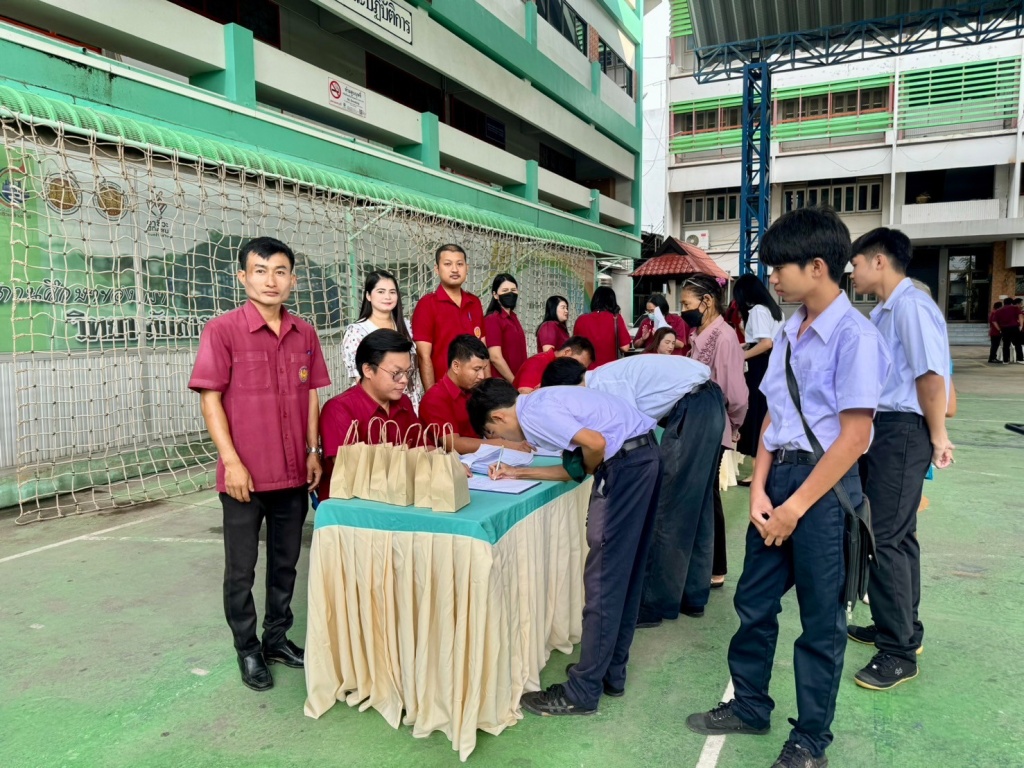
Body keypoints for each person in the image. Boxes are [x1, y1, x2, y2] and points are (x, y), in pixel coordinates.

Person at [686, 207, 890, 768]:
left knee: (821, 622)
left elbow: (854, 437)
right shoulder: (790, 331)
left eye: (779, 268)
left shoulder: (855, 337)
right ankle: (751, 705)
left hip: (825, 491)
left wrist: (794, 507)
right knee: (754, 601)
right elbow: (776, 415)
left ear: (817, 267)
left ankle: (809, 741)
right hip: (779, 482)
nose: (772, 278)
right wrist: (758, 491)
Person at [467, 379, 662, 716]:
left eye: (493, 433)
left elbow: (595, 445)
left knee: (603, 580)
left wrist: (593, 468)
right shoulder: (539, 401)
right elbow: (577, 467)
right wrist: (518, 473)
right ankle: (610, 672)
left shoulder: (534, 415)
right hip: (643, 458)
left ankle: (583, 691)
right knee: (625, 576)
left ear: (498, 418)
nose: (502, 440)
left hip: (624, 469)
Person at [188, 236, 330, 692]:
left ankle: (276, 639)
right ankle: (247, 649)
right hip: (243, 478)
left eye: (280, 271)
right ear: (243, 277)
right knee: (241, 570)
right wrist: (231, 462)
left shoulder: (304, 333)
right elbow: (210, 400)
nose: (271, 280)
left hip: (293, 473)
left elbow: (312, 395)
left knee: (286, 564)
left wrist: (313, 451)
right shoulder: (222, 331)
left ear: (292, 279)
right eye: (261, 270)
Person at [540, 355, 725, 628]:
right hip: (707, 402)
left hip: (693, 408)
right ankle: (692, 595)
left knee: (667, 509)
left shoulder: (606, 387)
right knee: (696, 504)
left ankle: (651, 605)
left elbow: (625, 438)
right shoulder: (604, 376)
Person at [846, 227, 953, 690]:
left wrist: (939, 436)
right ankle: (903, 628)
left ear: (879, 261)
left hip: (903, 429)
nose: (852, 272)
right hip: (889, 429)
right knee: (899, 535)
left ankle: (898, 653)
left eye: (856, 264)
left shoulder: (911, 307)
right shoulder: (887, 310)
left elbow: (931, 378)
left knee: (885, 537)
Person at [679, 273, 748, 590]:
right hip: (698, 425)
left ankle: (715, 566)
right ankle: (705, 563)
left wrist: (732, 424)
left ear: (707, 301)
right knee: (702, 495)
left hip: (712, 425)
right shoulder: (699, 335)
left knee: (706, 496)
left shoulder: (724, 337)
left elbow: (736, 394)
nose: (683, 310)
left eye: (686, 304)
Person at [318, 330, 421, 501]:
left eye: (407, 372)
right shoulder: (338, 409)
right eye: (396, 373)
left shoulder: (404, 402)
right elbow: (351, 471)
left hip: (398, 496)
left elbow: (422, 447)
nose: (404, 380)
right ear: (368, 370)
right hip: (353, 505)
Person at [419, 334, 531, 454]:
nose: (482, 376)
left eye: (484, 369)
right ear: (456, 366)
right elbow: (453, 444)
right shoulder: (435, 398)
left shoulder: (475, 389)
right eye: (476, 369)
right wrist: (504, 445)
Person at [733, 274, 785, 485]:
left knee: (755, 415)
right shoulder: (775, 310)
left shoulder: (757, 310)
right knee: (767, 414)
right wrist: (744, 346)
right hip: (774, 365)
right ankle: (767, 469)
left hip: (759, 367)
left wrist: (741, 356)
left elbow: (765, 343)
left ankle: (757, 472)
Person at [342, 270, 420, 410]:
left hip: (409, 404)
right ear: (368, 295)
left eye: (392, 292)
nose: (387, 297)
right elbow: (360, 378)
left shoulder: (407, 327)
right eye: (381, 292)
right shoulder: (357, 331)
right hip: (375, 407)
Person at [411, 244, 485, 390]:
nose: (455, 269)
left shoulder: (474, 302)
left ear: (467, 268)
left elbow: (484, 351)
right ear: (437, 269)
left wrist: (486, 390)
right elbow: (423, 357)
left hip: (476, 391)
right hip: (445, 391)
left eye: (459, 264)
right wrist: (432, 396)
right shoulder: (426, 304)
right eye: (447, 264)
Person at [483, 273, 528, 382]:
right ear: (495, 295)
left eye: (513, 290)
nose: (510, 293)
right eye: (505, 290)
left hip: (518, 381)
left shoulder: (513, 317)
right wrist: (514, 382)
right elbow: (495, 357)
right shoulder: (493, 319)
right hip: (502, 384)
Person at [572, 286, 630, 368]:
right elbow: (625, 348)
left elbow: (575, 347)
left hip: (586, 371)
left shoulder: (581, 320)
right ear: (612, 301)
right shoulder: (616, 318)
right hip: (609, 370)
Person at [513, 336, 595, 394]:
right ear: (567, 352)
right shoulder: (538, 362)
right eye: (577, 364)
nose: (578, 370)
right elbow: (524, 393)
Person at [992, 296, 1023, 364]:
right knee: (1018, 344)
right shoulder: (1015, 308)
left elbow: (994, 321)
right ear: (1011, 303)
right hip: (1014, 327)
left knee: (1006, 345)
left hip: (1004, 329)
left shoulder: (999, 310)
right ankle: (1020, 359)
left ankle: (1005, 360)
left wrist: (999, 329)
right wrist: (1021, 326)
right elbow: (1020, 316)